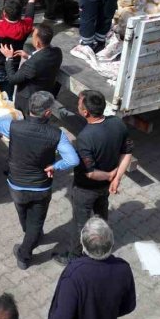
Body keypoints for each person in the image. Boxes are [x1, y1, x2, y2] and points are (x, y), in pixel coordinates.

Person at [0, 87, 79, 269]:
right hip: (41, 187)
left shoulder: (13, 126)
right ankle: (25, 255)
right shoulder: (57, 135)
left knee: (23, 214)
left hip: (16, 185)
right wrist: (55, 166)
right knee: (36, 221)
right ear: (48, 113)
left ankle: (30, 236)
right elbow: (73, 159)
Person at [52, 90, 133, 266]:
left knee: (79, 223)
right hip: (105, 187)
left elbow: (90, 173)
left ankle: (74, 256)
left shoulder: (85, 138)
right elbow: (127, 153)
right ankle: (102, 246)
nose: (78, 106)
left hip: (85, 189)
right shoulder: (118, 123)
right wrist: (116, 178)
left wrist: (111, 175)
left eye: (79, 104)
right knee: (101, 213)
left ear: (85, 112)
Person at [48, 218, 136, 319]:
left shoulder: (74, 275)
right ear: (112, 243)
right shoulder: (123, 269)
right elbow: (128, 306)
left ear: (83, 245)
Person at [0, 22, 62, 118]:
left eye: (33, 36)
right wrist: (29, 56)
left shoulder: (33, 64)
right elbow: (42, 64)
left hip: (28, 101)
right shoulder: (57, 52)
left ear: (37, 42)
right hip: (45, 94)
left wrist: (9, 58)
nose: (31, 37)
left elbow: (12, 79)